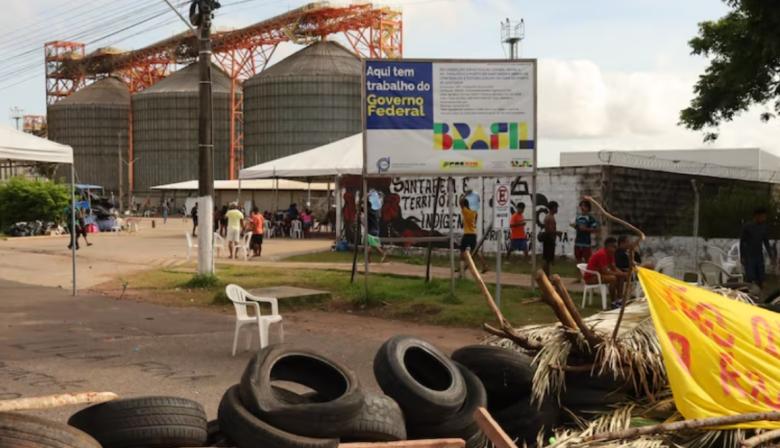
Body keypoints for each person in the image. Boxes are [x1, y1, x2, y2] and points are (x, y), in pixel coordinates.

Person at [740, 207, 776, 289]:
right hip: (749, 255)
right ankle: (750, 294)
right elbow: (742, 242)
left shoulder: (764, 227)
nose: (764, 218)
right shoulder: (747, 227)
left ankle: (760, 296)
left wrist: (771, 256)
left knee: (761, 277)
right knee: (750, 277)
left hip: (759, 255)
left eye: (765, 216)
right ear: (757, 216)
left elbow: (766, 242)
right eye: (763, 216)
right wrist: (742, 256)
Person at [584, 237, 627, 304]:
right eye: (614, 247)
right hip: (591, 277)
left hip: (600, 274)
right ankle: (613, 301)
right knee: (613, 278)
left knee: (621, 277)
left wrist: (622, 274)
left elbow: (614, 267)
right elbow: (605, 271)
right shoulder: (602, 254)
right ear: (608, 246)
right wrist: (621, 274)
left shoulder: (611, 253)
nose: (615, 249)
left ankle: (620, 298)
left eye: (616, 247)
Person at [460, 197, 487, 276]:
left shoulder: (465, 211)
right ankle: (484, 265)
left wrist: (464, 196)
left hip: (467, 234)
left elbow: (460, 203)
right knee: (474, 252)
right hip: (473, 234)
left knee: (462, 251)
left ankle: (462, 268)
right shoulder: (474, 212)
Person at [542, 201, 559, 276]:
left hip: (548, 239)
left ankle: (547, 274)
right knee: (548, 259)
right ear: (553, 208)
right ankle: (547, 275)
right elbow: (550, 230)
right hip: (549, 239)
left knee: (547, 258)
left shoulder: (548, 216)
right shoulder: (550, 217)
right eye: (556, 207)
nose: (557, 209)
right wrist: (557, 233)